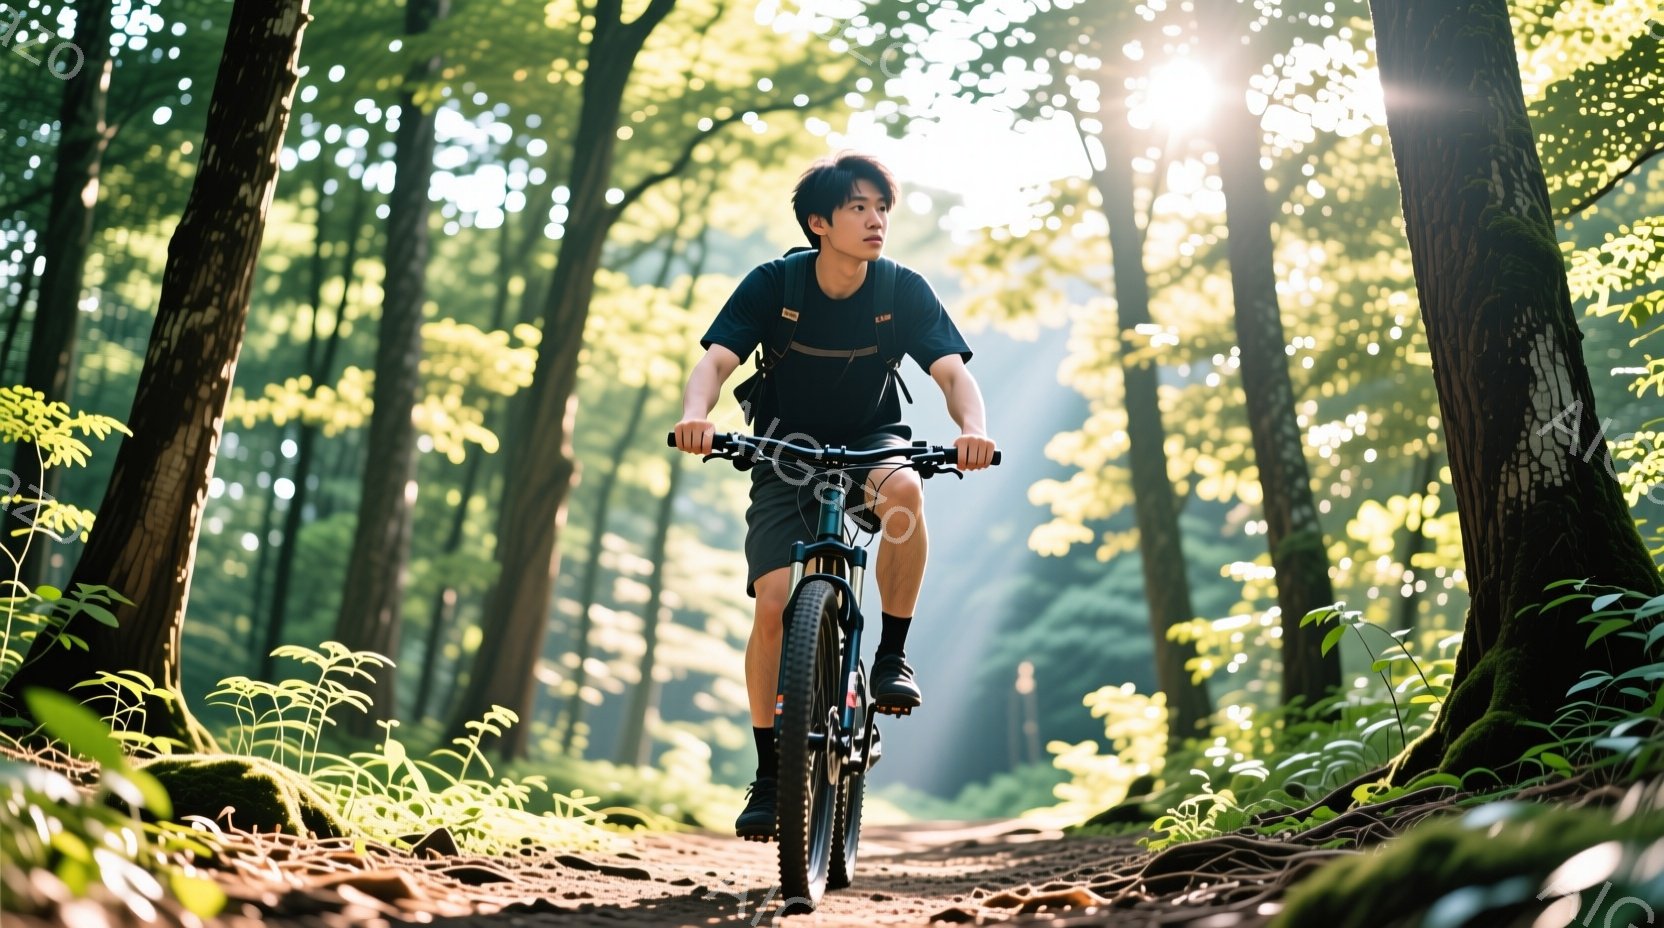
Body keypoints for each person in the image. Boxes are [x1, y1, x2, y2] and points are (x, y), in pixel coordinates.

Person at [671, 152, 997, 840]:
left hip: (874, 439)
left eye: (882, 207)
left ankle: (891, 657)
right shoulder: (774, 284)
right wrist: (697, 415)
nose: (876, 219)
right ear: (819, 222)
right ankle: (769, 774)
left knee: (905, 490)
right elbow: (718, 360)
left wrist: (974, 430)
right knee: (772, 607)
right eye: (858, 207)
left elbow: (949, 371)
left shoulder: (900, 290)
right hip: (784, 448)